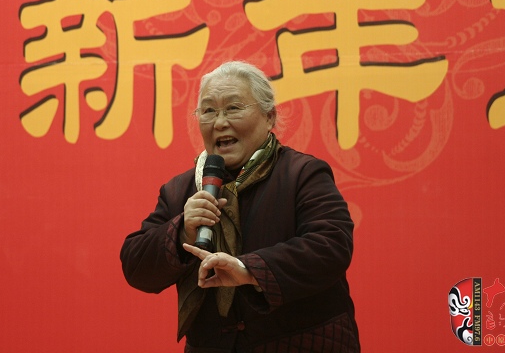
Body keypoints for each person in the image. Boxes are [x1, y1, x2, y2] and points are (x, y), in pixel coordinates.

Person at [120, 61, 360, 352]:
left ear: (269, 117)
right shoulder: (181, 190)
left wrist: (249, 270)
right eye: (208, 111)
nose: (219, 123)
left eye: (233, 108)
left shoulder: (301, 174)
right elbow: (136, 265)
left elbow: (330, 246)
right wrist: (182, 230)